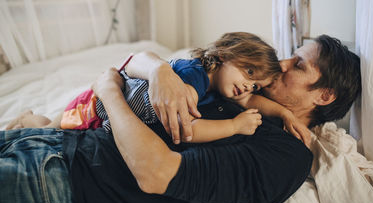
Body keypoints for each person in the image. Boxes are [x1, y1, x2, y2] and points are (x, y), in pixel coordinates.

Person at [0, 34, 361, 203]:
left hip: (61, 183)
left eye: (298, 64)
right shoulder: (250, 98)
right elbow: (143, 62)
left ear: (324, 95)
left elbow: (155, 173)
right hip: (51, 144)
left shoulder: (283, 157)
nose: (282, 64)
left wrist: (109, 92)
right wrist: (159, 71)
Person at [6, 32, 310, 143]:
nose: (248, 86)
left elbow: (249, 102)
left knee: (55, 128)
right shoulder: (192, 80)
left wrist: (285, 113)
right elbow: (187, 130)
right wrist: (233, 126)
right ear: (223, 54)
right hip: (97, 108)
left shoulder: (218, 85)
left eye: (255, 84)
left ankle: (36, 119)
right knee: (50, 130)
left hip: (106, 112)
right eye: (248, 71)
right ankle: (29, 119)